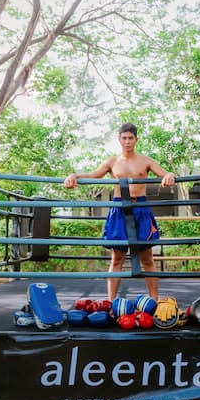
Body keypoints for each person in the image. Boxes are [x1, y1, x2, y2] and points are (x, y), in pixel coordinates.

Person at [63, 122, 175, 300]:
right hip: (119, 208)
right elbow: (93, 175)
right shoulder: (112, 161)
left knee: (147, 259)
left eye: (131, 138)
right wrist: (74, 176)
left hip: (141, 209)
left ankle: (153, 300)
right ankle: (110, 302)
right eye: (124, 138)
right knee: (117, 260)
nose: (127, 141)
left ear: (136, 140)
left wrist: (169, 174)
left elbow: (165, 174)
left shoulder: (145, 160)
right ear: (119, 139)